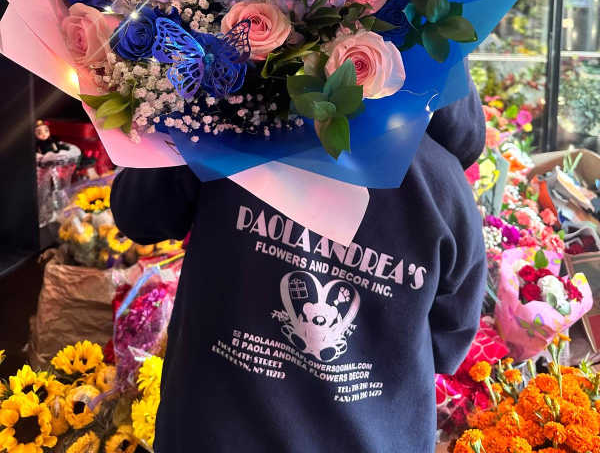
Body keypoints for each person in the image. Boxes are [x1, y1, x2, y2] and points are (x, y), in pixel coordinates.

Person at [111, 74, 486, 453]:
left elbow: (139, 214)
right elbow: (448, 342)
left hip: (214, 433)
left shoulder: (232, 123)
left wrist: (188, 105)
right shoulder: (446, 190)